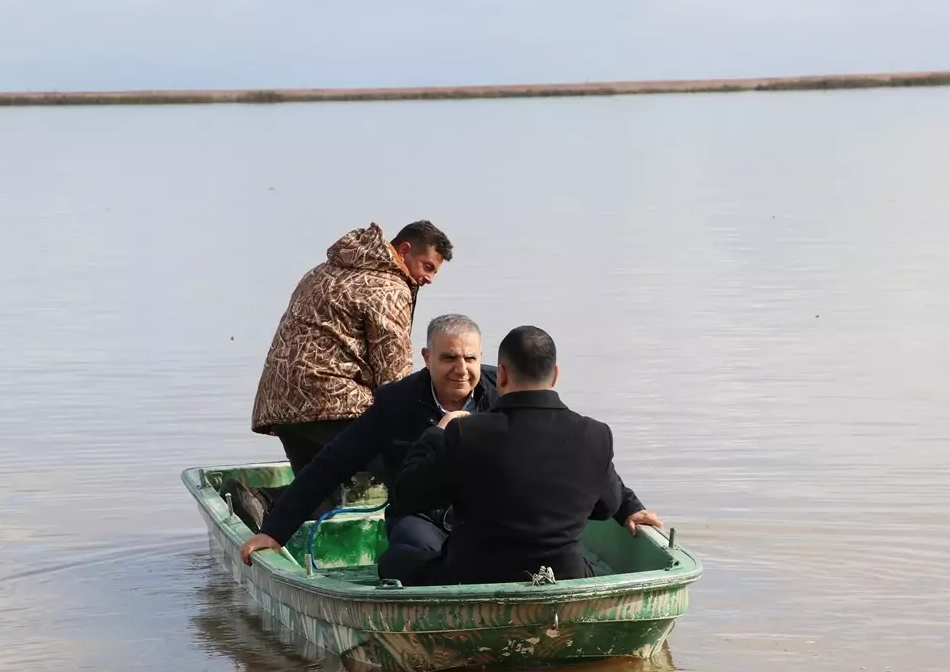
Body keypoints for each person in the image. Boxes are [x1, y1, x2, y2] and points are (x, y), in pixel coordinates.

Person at [389, 325, 664, 585]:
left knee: (395, 559)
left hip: (473, 578)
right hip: (566, 576)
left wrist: (437, 433)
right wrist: (633, 509)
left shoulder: (465, 432)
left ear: (503, 375)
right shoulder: (595, 433)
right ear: (555, 375)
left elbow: (409, 495)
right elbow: (607, 505)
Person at [238, 314, 494, 563]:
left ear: (480, 358)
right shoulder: (395, 403)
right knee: (416, 551)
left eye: (470, 358)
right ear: (427, 358)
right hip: (420, 518)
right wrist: (273, 532)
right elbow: (332, 463)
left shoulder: (503, 390)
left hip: (487, 513)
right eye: (449, 358)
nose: (461, 370)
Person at [249, 220, 453, 506]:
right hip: (333, 400)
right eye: (427, 266)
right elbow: (393, 373)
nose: (429, 278)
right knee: (407, 471)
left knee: (316, 495)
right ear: (404, 250)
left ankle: (258, 501)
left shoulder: (323, 270)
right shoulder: (389, 288)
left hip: (281, 401)